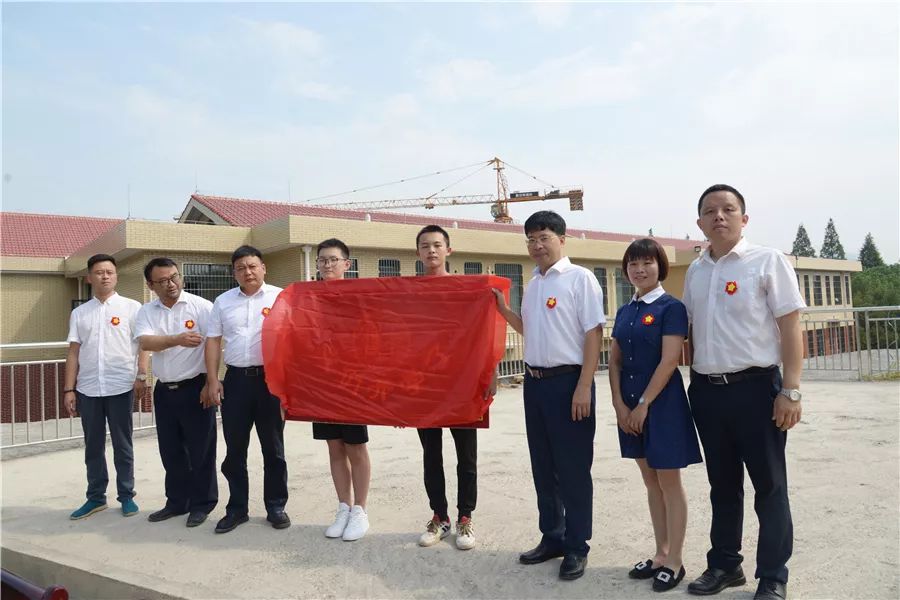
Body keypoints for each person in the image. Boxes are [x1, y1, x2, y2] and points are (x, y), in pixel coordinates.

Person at [683, 185, 804, 600]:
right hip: (707, 392)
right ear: (699, 222)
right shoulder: (696, 272)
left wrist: (790, 390)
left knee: (769, 485)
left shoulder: (766, 261)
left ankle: (772, 574)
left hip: (756, 390)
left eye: (728, 209)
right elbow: (690, 334)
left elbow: (790, 327)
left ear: (744, 219)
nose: (719, 216)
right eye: (710, 211)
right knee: (723, 484)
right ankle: (724, 565)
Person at [493, 211, 604, 580]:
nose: (537, 246)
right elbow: (531, 329)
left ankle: (576, 545)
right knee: (544, 466)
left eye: (543, 237)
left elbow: (593, 334)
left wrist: (584, 386)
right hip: (536, 384)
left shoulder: (580, 279)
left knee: (572, 469)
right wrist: (504, 311)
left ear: (561, 238)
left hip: (569, 383)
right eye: (531, 240)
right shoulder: (534, 283)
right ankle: (552, 536)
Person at [608, 238, 702, 592]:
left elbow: (669, 361)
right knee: (650, 482)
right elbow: (614, 361)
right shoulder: (625, 310)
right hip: (630, 405)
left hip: (661, 405)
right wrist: (619, 404)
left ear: (659, 266)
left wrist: (644, 404)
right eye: (633, 264)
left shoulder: (670, 307)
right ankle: (660, 554)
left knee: (669, 482)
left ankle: (675, 560)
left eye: (647, 262)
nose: (640, 269)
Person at [415, 225, 495, 551]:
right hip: (424, 385)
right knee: (431, 455)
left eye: (437, 245)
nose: (431, 251)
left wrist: (488, 373)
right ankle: (440, 516)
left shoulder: (467, 289)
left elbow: (487, 331)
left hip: (462, 383)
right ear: (417, 253)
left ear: (449, 250)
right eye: (425, 246)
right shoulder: (408, 292)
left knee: (466, 456)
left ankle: (464, 518)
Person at [204, 246, 290, 534]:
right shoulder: (222, 301)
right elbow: (213, 341)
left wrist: (288, 385)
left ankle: (276, 506)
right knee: (235, 450)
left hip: (271, 382)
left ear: (263, 267)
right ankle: (237, 508)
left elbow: (293, 339)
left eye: (252, 266)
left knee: (273, 449)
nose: (247, 272)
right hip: (236, 382)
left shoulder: (280, 297)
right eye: (241, 268)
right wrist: (212, 380)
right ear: (234, 272)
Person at [134, 257, 218, 527]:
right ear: (150, 285)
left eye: (174, 277)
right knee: (170, 450)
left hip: (196, 386)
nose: (170, 284)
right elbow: (146, 341)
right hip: (165, 390)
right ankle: (176, 501)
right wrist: (177, 339)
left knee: (201, 450)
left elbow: (212, 346)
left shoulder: (201, 307)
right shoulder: (147, 312)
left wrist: (211, 382)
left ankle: (202, 503)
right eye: (162, 281)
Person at [64, 254, 149, 520]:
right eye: (99, 272)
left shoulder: (132, 308)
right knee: (93, 446)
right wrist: (69, 389)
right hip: (88, 388)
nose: (105, 276)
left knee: (123, 444)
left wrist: (142, 375)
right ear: (89, 277)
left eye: (109, 272)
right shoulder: (80, 313)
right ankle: (95, 497)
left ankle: (126, 496)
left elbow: (143, 345)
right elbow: (74, 352)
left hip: (121, 385)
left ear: (116, 276)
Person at [310, 238, 371, 542]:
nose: (328, 265)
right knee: (334, 447)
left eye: (334, 260)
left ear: (347, 264)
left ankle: (360, 509)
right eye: (322, 260)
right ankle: (343, 507)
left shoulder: (358, 297)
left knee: (355, 447)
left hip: (352, 384)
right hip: (321, 383)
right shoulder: (308, 298)